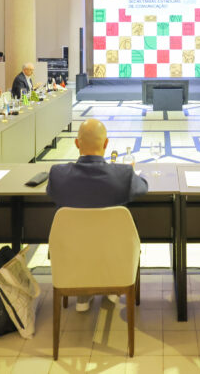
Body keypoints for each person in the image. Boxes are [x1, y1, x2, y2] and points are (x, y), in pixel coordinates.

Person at [47, 118, 150, 311]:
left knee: (83, 242)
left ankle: (82, 293)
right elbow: (143, 187)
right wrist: (136, 174)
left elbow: (52, 192)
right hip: (113, 253)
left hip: (71, 254)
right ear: (106, 143)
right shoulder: (123, 175)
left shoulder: (57, 174)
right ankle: (113, 284)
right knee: (109, 241)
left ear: (76, 143)